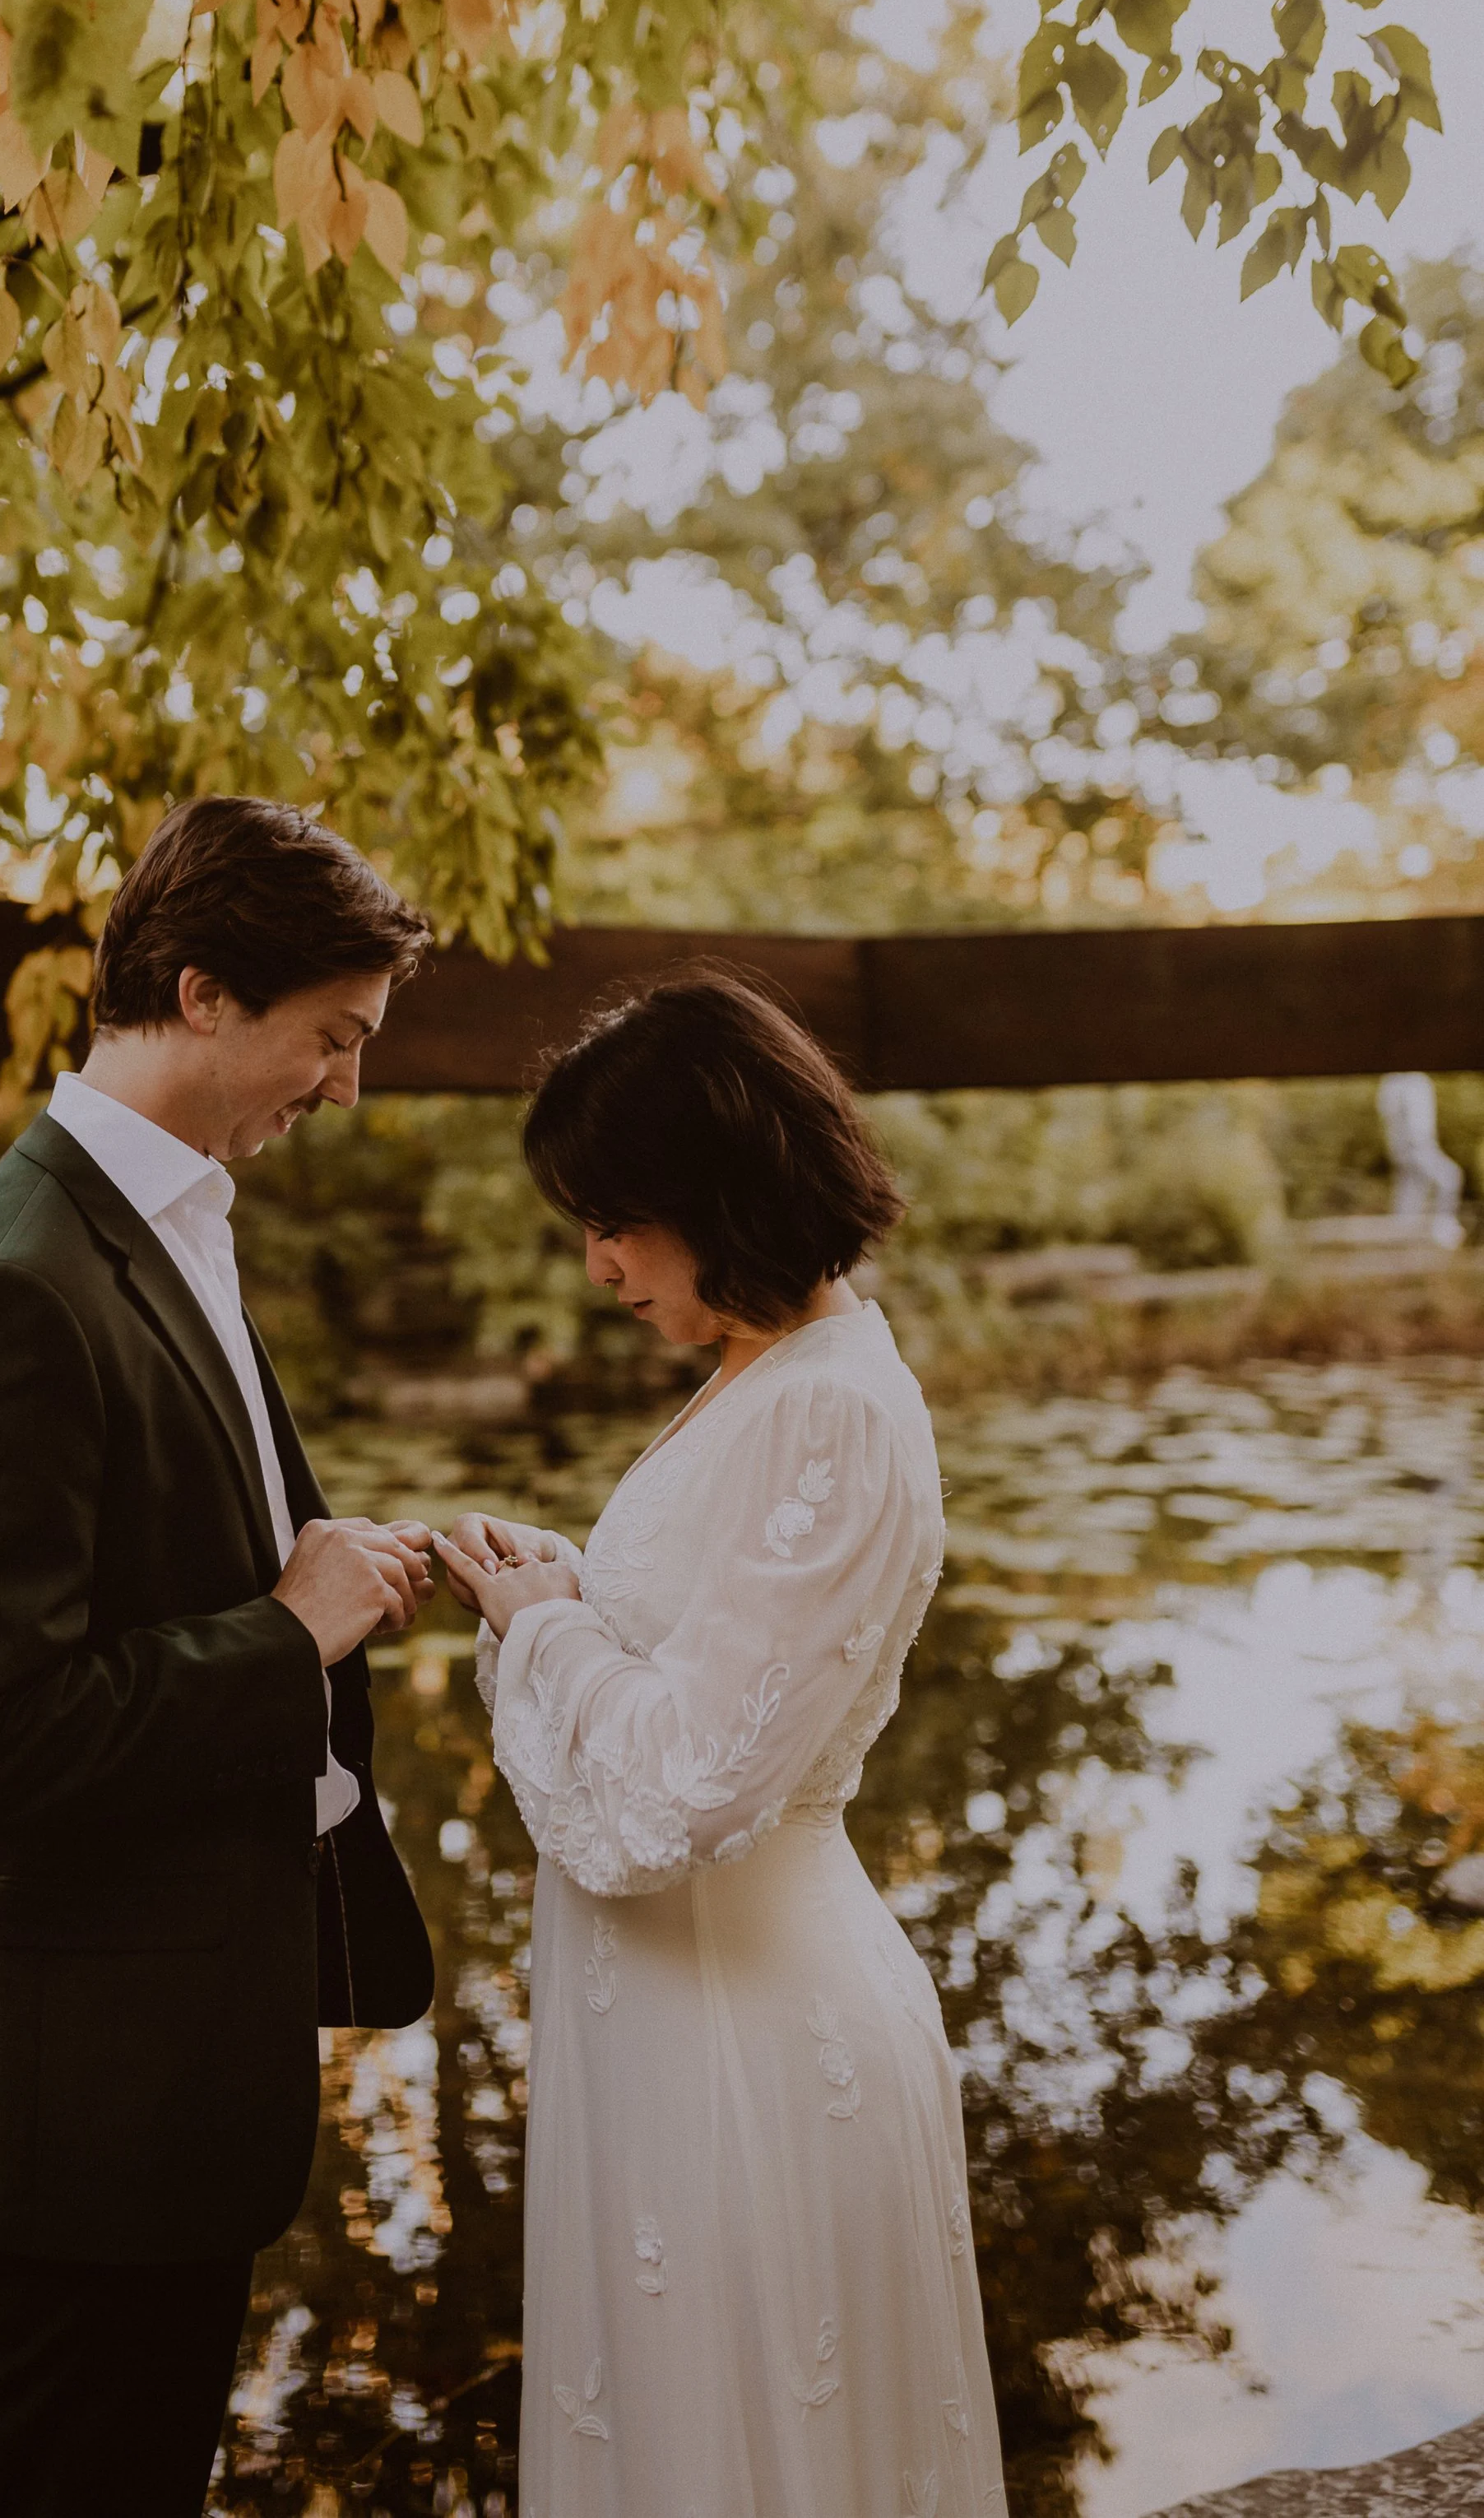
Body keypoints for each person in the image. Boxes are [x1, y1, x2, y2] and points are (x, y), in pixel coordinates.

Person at [0, 797, 440, 2518]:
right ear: (200, 995)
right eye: (331, 1038)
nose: (345, 1086)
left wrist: (334, 1572)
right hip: (85, 2082)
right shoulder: (14, 1284)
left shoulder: (164, 1222)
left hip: (172, 2041)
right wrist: (289, 1633)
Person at [434, 969, 1008, 2516]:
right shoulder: (756, 1377)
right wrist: (554, 1591)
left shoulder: (834, 1409)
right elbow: (702, 1665)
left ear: (715, 1184)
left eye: (616, 1215)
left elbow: (677, 1792)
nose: (598, 1260)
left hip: (752, 2048)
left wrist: (544, 1628)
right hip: (672, 2028)